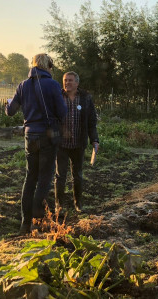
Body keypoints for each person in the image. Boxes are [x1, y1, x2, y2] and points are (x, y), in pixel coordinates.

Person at [6, 53, 67, 234]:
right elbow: (62, 112)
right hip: (47, 136)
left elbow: (10, 111)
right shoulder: (53, 85)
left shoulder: (23, 85)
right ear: (47, 65)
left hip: (29, 136)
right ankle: (36, 220)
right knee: (44, 179)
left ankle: (24, 223)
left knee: (30, 178)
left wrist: (7, 104)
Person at [54, 71, 99, 213]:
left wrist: (94, 140)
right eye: (65, 80)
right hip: (61, 144)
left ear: (77, 83)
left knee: (77, 175)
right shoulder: (57, 97)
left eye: (70, 80)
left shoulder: (85, 98)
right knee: (60, 176)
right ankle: (58, 206)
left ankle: (78, 204)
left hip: (78, 144)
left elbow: (92, 121)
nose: (67, 83)